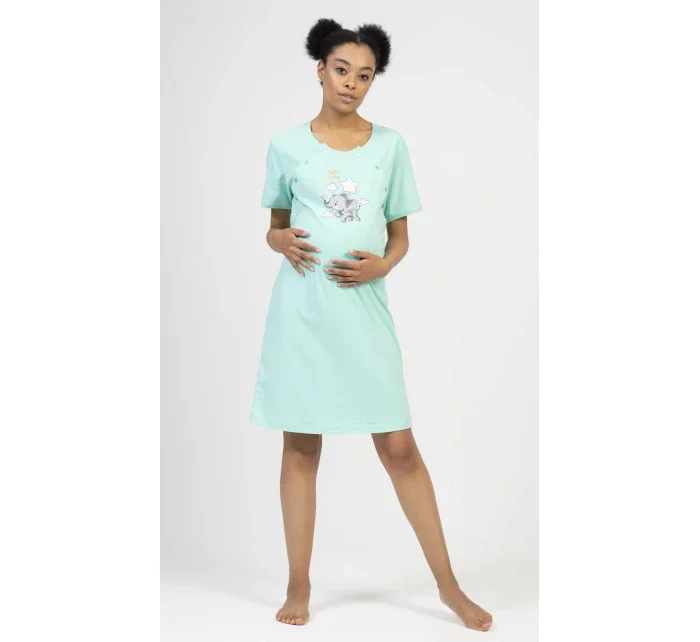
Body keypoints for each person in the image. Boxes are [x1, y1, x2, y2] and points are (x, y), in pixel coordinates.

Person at [250, 18, 493, 632]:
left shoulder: (389, 146)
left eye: (364, 75)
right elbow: (274, 226)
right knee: (301, 445)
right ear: (320, 70)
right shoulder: (286, 146)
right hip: (303, 314)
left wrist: (381, 266)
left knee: (400, 447)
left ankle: (449, 587)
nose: (351, 84)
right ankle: (298, 583)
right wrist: (280, 241)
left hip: (363, 312)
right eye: (342, 70)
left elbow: (399, 236)